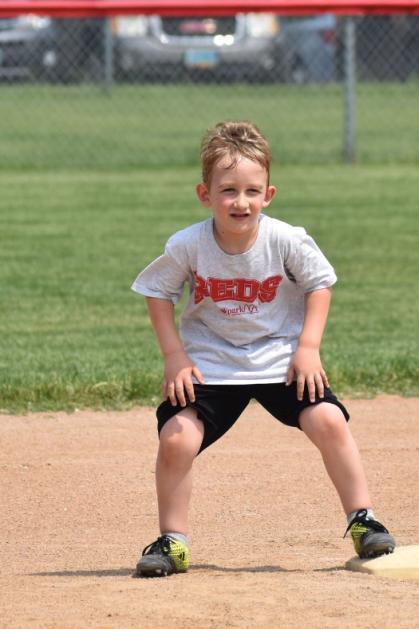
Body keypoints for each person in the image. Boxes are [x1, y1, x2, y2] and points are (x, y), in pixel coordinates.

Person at [131, 120, 395, 577]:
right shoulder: (188, 244)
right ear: (204, 195)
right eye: (228, 190)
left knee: (328, 419)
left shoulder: (285, 238)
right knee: (177, 439)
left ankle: (363, 520)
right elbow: (157, 291)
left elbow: (320, 283)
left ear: (269, 194)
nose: (241, 201)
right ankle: (172, 542)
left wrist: (308, 347)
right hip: (212, 364)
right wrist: (175, 356)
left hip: (279, 358)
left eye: (252, 191)